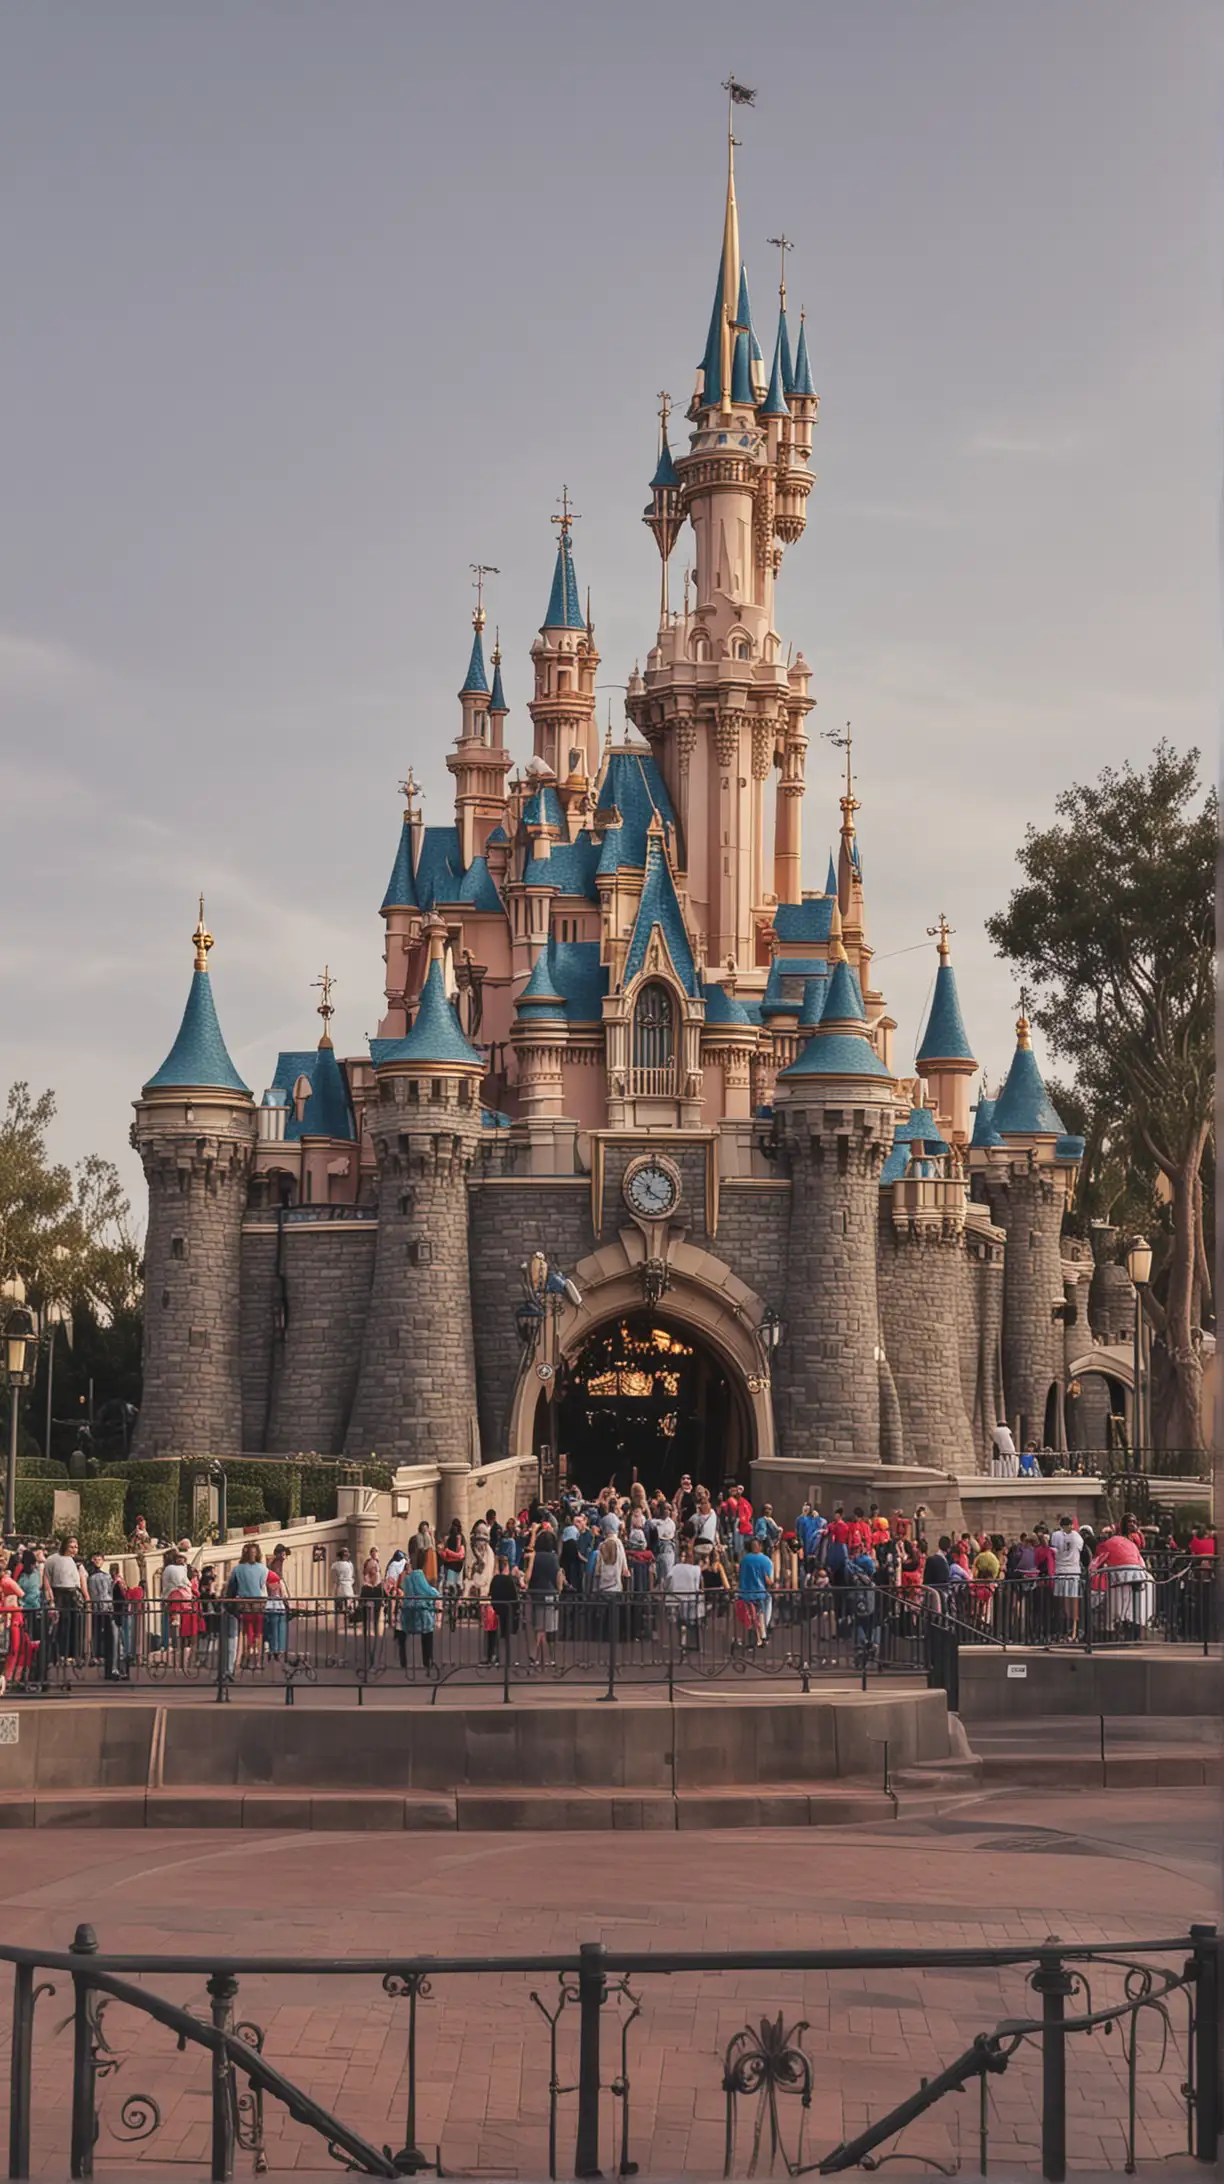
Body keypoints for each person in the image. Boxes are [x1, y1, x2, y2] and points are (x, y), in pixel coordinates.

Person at [224, 1543, 268, 1677]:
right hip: (258, 1601)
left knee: (245, 1631)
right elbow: (261, 1585)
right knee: (258, 1632)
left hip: (243, 1601)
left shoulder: (238, 1569)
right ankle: (258, 1661)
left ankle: (245, 1658)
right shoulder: (263, 1568)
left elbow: (232, 1586)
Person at [399, 1546, 440, 1674]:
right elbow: (427, 1590)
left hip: (409, 1610)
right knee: (427, 1636)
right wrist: (436, 1592)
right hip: (421, 1612)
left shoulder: (408, 1577)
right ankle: (427, 1661)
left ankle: (404, 1661)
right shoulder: (418, 1575)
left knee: (403, 1638)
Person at [45, 1536, 85, 1666]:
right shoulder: (53, 1559)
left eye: (76, 1547)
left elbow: (78, 1582)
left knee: (74, 1624)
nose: (74, 1550)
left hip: (73, 1593)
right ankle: (59, 1654)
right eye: (71, 1547)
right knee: (61, 1625)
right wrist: (51, 1597)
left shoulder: (75, 1562)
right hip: (60, 1593)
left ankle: (72, 1654)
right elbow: (46, 1579)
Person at [662, 1538, 704, 1656]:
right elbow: (698, 1585)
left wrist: (668, 1591)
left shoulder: (675, 1568)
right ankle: (687, 1644)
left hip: (677, 1599)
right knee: (689, 1623)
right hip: (690, 1599)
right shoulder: (695, 1569)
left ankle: (683, 1644)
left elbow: (667, 1582)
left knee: (681, 1623)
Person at [1049, 1515, 1085, 1639]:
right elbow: (1080, 1550)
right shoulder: (1077, 1537)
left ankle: (1065, 1631)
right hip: (1073, 1570)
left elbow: (1053, 1550)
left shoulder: (1056, 1535)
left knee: (1062, 1602)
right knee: (1072, 1601)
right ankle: (1072, 1631)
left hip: (1061, 1570)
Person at [736, 1534, 774, 1646]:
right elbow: (769, 1581)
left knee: (748, 1615)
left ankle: (750, 1637)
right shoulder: (766, 1561)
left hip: (744, 1593)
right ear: (760, 1546)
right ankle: (763, 1635)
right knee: (762, 1612)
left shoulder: (744, 1560)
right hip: (759, 1593)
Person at [486, 1553, 520, 1667]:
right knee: (507, 1637)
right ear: (506, 1567)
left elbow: (490, 1594)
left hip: (497, 1611)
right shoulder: (509, 1581)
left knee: (497, 1636)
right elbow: (514, 1597)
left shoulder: (495, 1579)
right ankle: (507, 1659)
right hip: (508, 1612)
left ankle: (496, 1658)